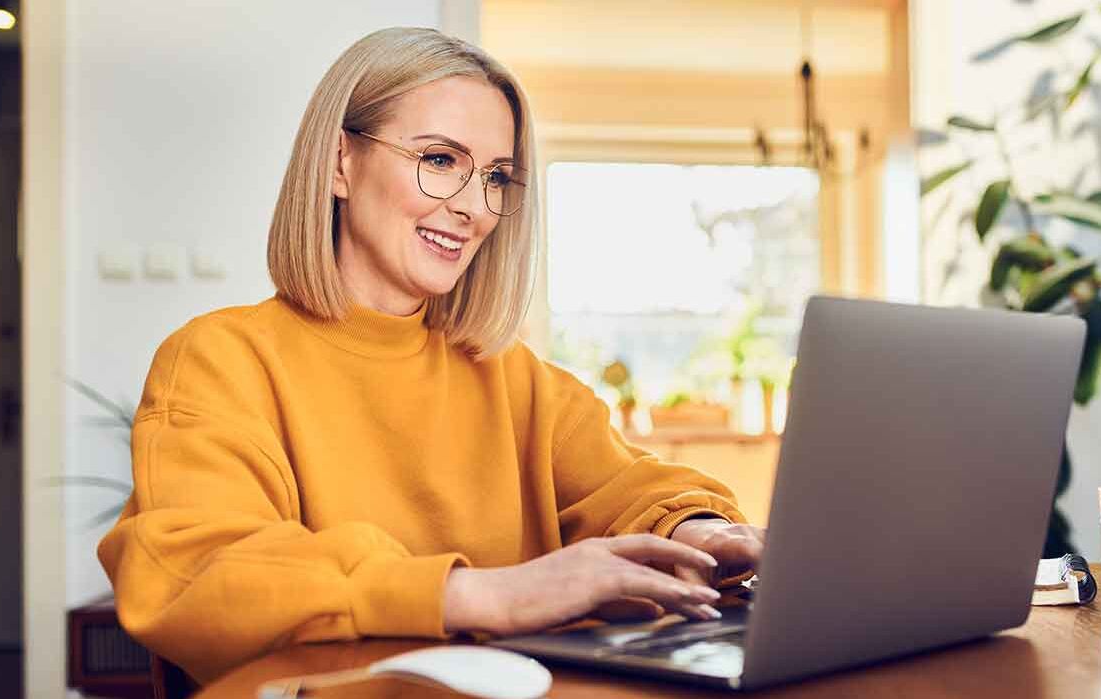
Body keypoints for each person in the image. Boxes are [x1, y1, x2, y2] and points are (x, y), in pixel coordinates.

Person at [97, 27, 765, 684]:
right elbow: (200, 570)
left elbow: (634, 486)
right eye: (440, 160)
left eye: (496, 176)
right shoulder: (220, 359)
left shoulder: (509, 374)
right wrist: (484, 595)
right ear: (339, 163)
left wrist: (699, 528)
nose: (474, 207)